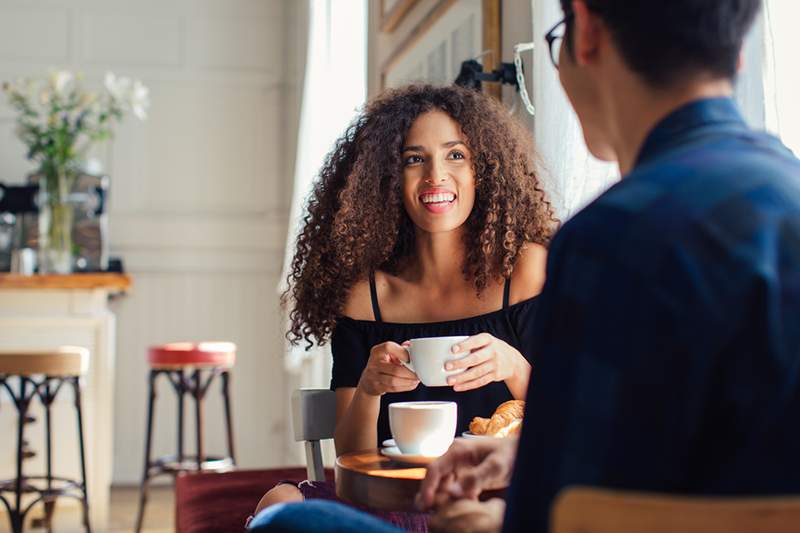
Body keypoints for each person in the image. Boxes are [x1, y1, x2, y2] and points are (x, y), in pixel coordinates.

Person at [249, 0, 800, 531]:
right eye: (414, 159)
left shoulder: (608, 238)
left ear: (584, 30)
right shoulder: (787, 186)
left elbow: (580, 484)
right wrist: (511, 464)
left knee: (291, 521)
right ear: (738, 53)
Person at [249, 84, 557, 530]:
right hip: (395, 503)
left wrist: (513, 366)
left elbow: (573, 421)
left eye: (456, 155)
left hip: (492, 503)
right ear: (388, 177)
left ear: (483, 170)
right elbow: (350, 458)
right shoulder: (365, 296)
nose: (436, 176)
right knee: (278, 504)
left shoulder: (527, 273)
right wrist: (370, 389)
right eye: (415, 159)